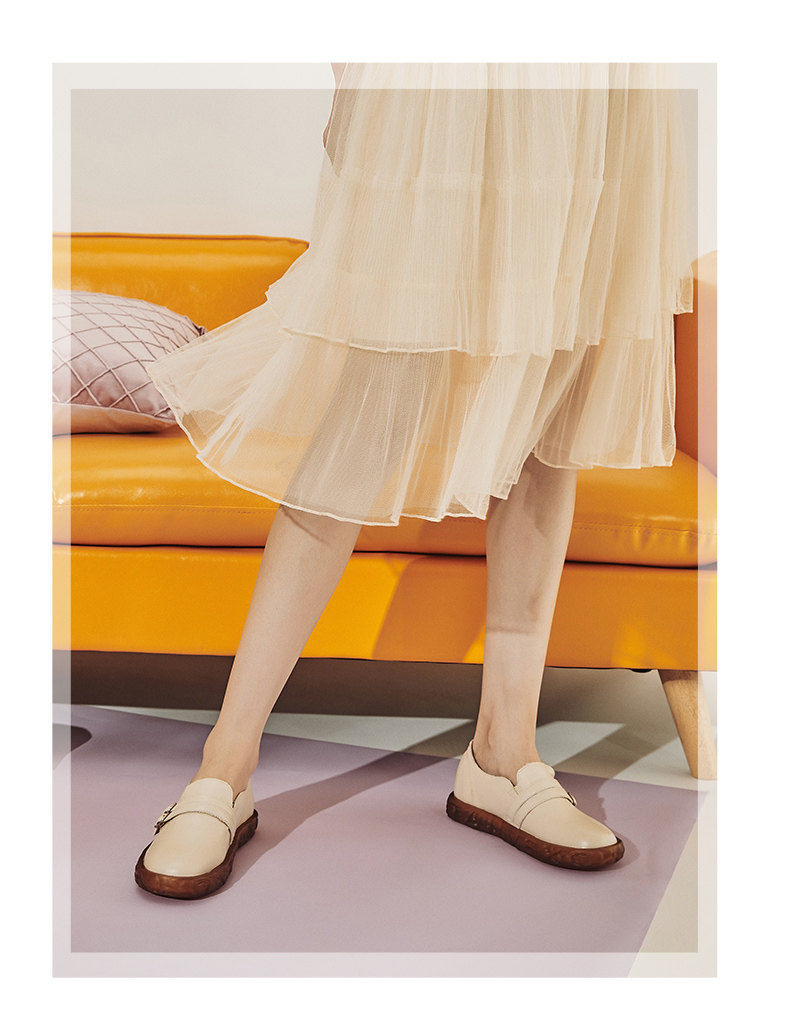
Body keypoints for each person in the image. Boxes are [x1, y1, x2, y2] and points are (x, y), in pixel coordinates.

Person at [134, 63, 693, 899]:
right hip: (450, 76)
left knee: (550, 411)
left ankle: (505, 752)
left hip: (595, 82)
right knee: (368, 407)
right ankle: (224, 767)